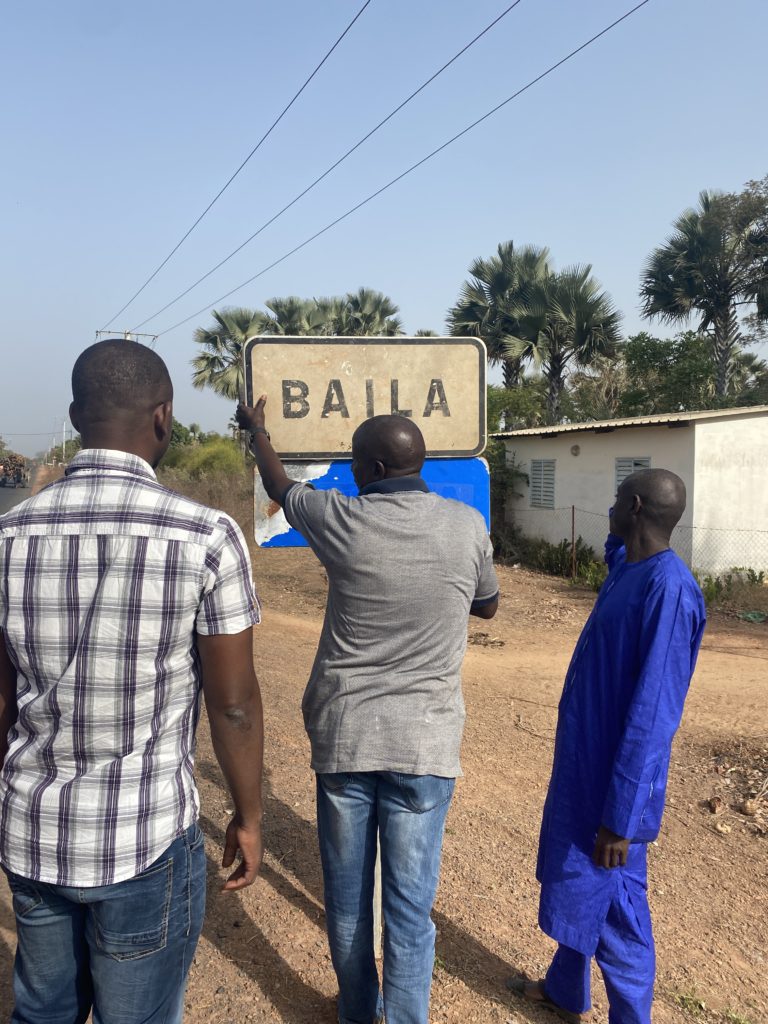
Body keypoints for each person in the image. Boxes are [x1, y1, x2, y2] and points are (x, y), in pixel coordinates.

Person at [0, 340, 264, 1024]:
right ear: (164, 417)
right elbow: (233, 706)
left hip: (34, 830)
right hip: (144, 839)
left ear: (75, 415)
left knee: (43, 1013)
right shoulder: (205, 536)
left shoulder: (9, 537)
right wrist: (250, 815)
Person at [236, 396, 499, 1024]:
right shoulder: (466, 526)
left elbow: (279, 484)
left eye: (355, 463)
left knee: (350, 904)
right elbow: (487, 605)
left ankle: (358, 1011)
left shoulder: (341, 521)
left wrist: (258, 432)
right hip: (426, 747)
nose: (349, 473)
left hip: (346, 740)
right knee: (410, 911)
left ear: (375, 468)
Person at [509, 468, 706, 1024]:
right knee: (581, 883)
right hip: (584, 770)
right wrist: (624, 535)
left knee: (617, 908)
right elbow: (614, 542)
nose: (610, 507)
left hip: (613, 788)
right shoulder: (628, 567)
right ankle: (566, 989)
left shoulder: (668, 591)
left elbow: (652, 718)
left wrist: (621, 817)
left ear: (636, 505)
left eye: (619, 499)